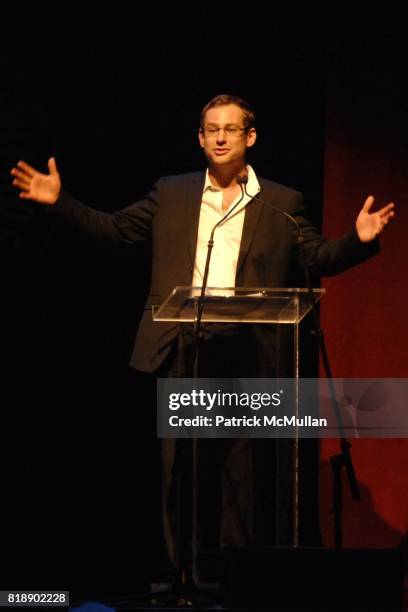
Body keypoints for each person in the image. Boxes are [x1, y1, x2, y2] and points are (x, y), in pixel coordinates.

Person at [10, 94, 394, 568]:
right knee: (180, 472)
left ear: (249, 137)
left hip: (250, 349)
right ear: (199, 137)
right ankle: (181, 578)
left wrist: (357, 240)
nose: (219, 137)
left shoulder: (280, 202)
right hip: (184, 344)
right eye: (211, 128)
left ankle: (235, 577)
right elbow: (114, 231)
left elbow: (315, 257)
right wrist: (60, 203)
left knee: (241, 475)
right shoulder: (171, 193)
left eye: (231, 129)